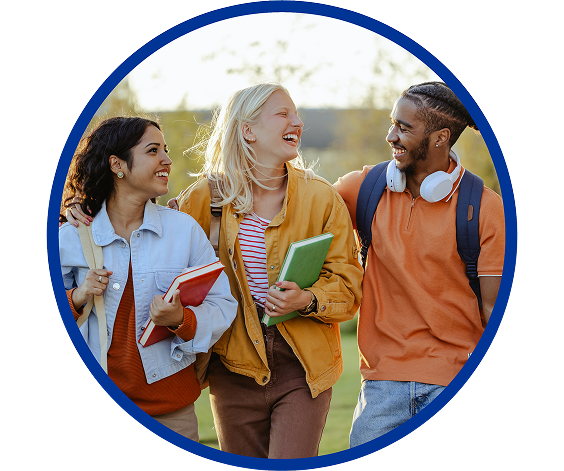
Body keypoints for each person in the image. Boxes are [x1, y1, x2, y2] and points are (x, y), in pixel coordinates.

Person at [168, 83, 364, 458]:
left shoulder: (322, 198)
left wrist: (307, 299)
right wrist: (79, 209)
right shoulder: (202, 199)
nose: (298, 121)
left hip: (302, 367)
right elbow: (159, 258)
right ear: (248, 130)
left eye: (296, 113)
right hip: (232, 366)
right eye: (283, 114)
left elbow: (349, 286)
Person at [334, 82, 505, 447]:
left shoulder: (487, 210)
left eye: (404, 128)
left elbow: (494, 312)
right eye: (393, 123)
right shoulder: (363, 188)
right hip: (381, 389)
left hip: (454, 380)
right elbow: (299, 210)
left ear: (441, 137)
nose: (390, 135)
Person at [59, 116, 237, 441]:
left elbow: (223, 305)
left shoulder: (183, 232)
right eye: (153, 150)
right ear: (118, 165)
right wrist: (77, 298)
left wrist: (182, 319)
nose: (167, 159)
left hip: (172, 416)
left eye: (165, 150)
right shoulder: (71, 237)